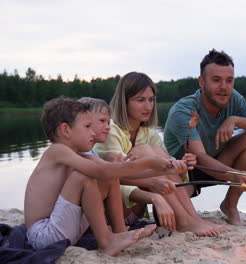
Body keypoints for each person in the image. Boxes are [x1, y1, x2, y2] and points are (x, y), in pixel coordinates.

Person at [24, 96, 181, 256]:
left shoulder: (78, 155)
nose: (92, 132)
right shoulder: (57, 151)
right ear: (66, 130)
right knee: (84, 176)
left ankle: (118, 232)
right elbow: (101, 171)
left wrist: (165, 170)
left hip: (64, 228)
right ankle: (106, 242)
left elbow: (113, 171)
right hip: (44, 234)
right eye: (87, 126)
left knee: (110, 175)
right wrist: (148, 162)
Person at [93, 72, 228, 236]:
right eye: (140, 100)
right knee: (146, 151)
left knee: (156, 153)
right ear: (124, 102)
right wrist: (153, 185)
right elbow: (113, 176)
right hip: (113, 214)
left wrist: (182, 165)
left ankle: (192, 218)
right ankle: (185, 221)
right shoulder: (110, 130)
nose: (148, 106)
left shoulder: (149, 133)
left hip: (134, 211)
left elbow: (168, 170)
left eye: (151, 100)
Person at [164, 49, 246, 225]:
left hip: (220, 162)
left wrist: (235, 119)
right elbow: (199, 158)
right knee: (171, 214)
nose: (224, 87)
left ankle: (230, 204)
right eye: (216, 80)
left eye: (229, 81)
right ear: (202, 82)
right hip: (186, 172)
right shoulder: (184, 110)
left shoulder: (232, 97)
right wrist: (236, 175)